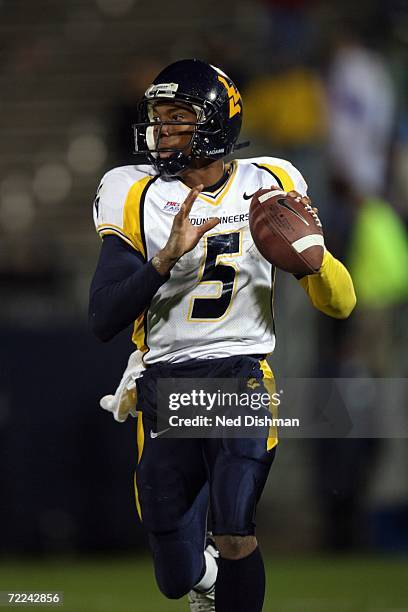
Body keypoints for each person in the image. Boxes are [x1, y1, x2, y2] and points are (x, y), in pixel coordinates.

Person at [89, 59, 356, 612]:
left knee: (236, 524)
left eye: (178, 118)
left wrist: (311, 262)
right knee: (176, 572)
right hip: (165, 379)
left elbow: (342, 302)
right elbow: (102, 317)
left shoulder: (273, 180)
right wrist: (164, 259)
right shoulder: (133, 190)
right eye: (158, 118)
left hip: (240, 373)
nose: (162, 131)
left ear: (214, 124)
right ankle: (206, 582)